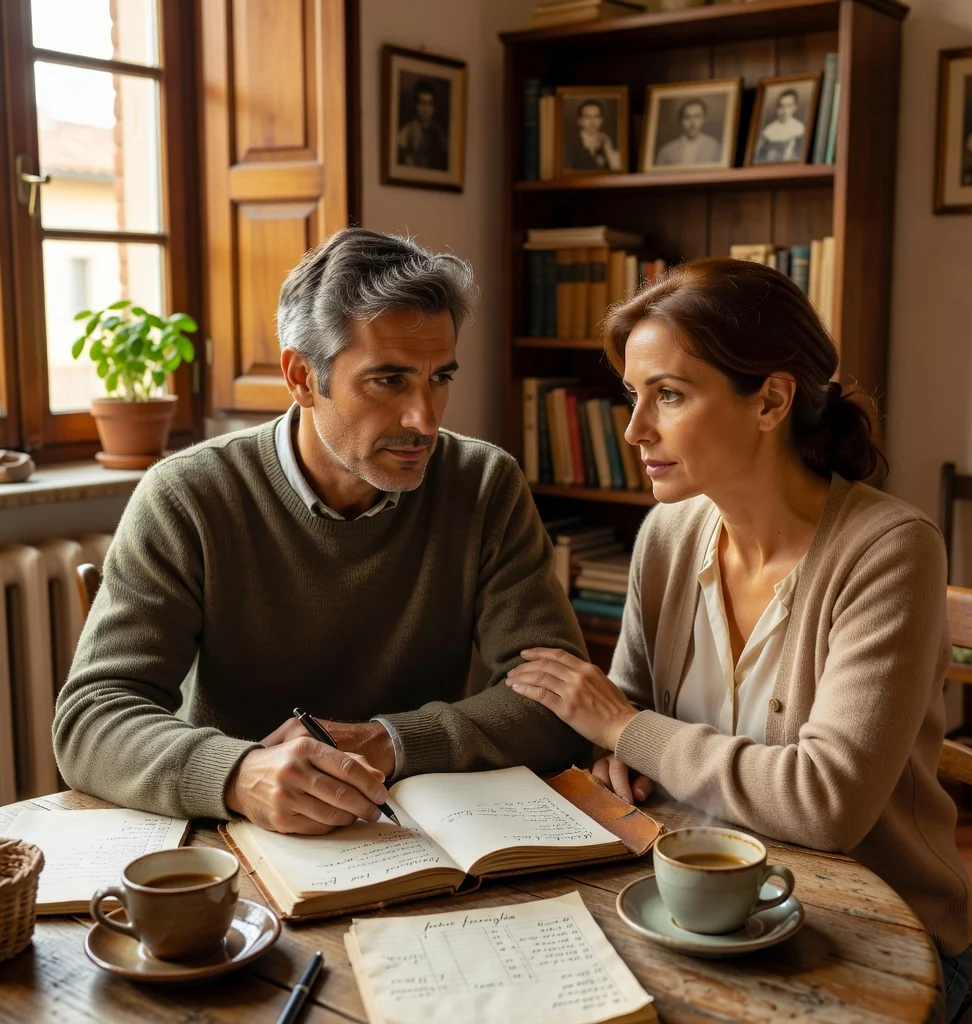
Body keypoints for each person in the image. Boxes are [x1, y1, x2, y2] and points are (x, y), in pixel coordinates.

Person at [504, 258, 972, 1022]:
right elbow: (626, 724)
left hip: (877, 936)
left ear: (773, 401)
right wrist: (615, 746)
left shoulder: (890, 549)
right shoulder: (666, 534)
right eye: (634, 395)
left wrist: (625, 730)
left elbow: (825, 805)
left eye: (671, 395)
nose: (634, 429)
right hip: (696, 909)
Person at [53, 227, 591, 836]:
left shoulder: (484, 483)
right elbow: (91, 720)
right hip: (237, 840)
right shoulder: (189, 495)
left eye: (440, 378)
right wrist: (238, 772)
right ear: (302, 377)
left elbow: (562, 702)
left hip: (418, 834)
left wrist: (391, 741)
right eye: (389, 381)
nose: (424, 419)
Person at [397, 79, 448, 170]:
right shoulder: (406, 131)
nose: (425, 109)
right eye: (422, 103)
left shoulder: (438, 132)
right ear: (416, 105)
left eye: (429, 104)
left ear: (433, 107)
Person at [655, 98, 722, 167]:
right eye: (687, 117)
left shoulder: (714, 147)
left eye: (697, 117)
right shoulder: (667, 151)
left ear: (704, 119)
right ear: (681, 121)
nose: (692, 123)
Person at [564, 100, 621, 172]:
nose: (592, 121)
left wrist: (608, 148)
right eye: (587, 117)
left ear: (602, 120)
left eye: (596, 117)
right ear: (579, 120)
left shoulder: (609, 141)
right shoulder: (568, 144)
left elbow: (618, 170)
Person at [754, 88, 805, 162]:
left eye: (789, 106)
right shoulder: (768, 130)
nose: (785, 111)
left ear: (795, 107)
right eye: (781, 106)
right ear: (777, 109)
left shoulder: (800, 128)